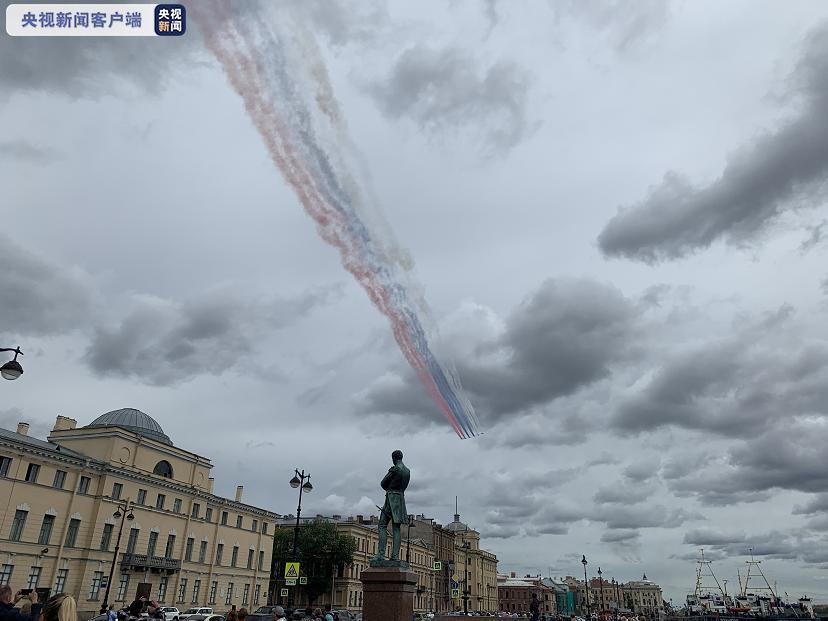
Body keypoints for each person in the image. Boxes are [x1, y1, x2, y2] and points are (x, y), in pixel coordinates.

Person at [372, 449, 410, 562]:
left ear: (393, 458)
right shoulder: (407, 471)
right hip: (400, 498)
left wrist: (390, 489)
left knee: (382, 525)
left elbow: (383, 483)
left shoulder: (395, 469)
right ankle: (395, 556)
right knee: (396, 528)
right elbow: (404, 486)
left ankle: (380, 555)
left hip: (391, 498)